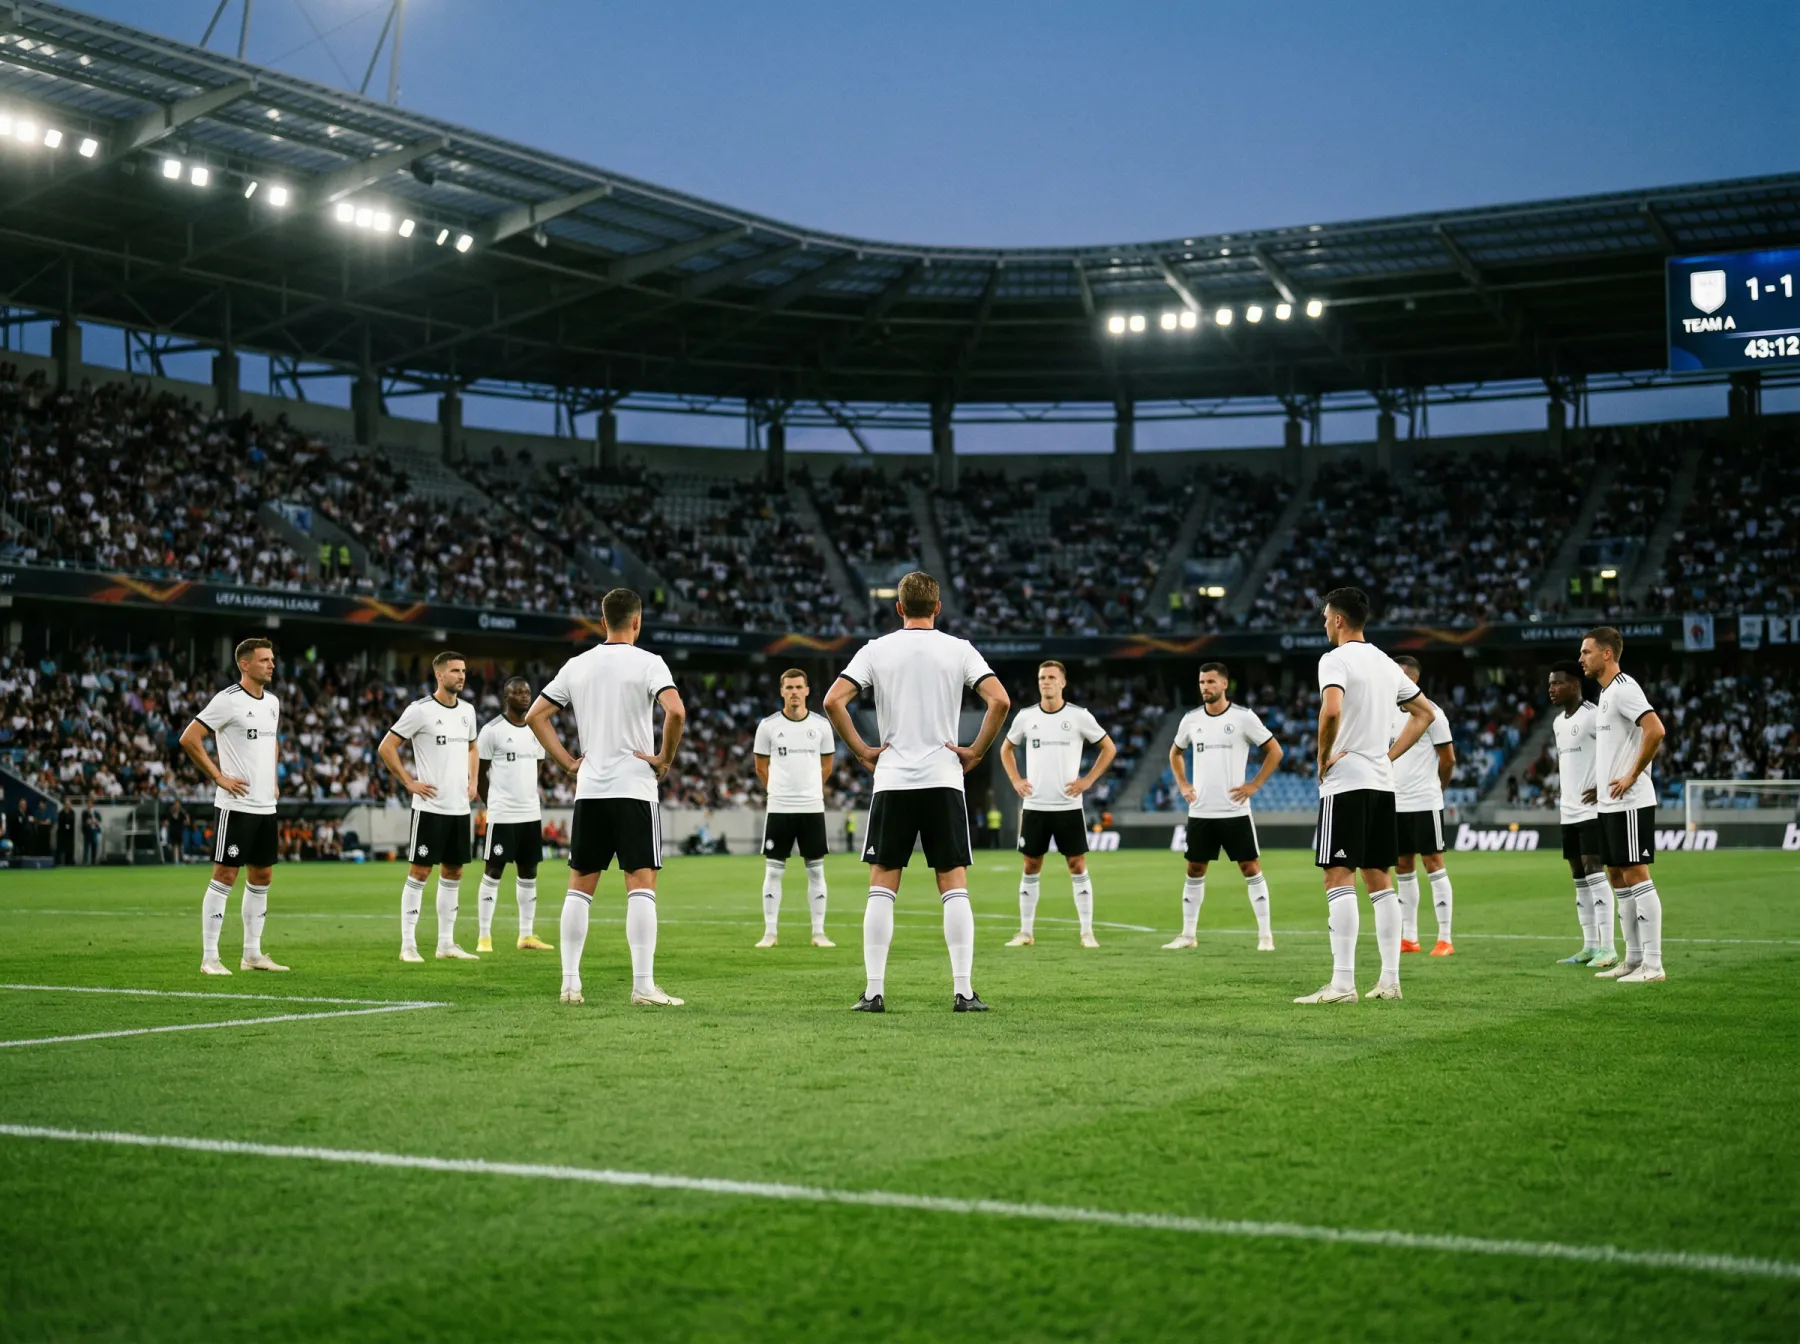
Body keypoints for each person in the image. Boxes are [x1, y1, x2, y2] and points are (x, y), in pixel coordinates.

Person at [823, 570, 1010, 1014]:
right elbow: (1000, 701)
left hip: (893, 780)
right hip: (943, 778)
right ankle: (964, 992)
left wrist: (863, 751)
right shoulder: (959, 649)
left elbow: (832, 701)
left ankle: (874, 992)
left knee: (882, 885)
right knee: (953, 884)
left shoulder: (876, 649)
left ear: (899, 608)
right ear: (938, 608)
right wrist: (976, 751)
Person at [526, 587, 687, 1007]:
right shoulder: (649, 662)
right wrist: (664, 758)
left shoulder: (577, 665)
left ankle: (570, 984)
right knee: (641, 885)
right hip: (634, 788)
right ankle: (643, 987)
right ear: (637, 621)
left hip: (591, 790)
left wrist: (567, 762)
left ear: (602, 622)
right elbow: (676, 711)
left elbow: (535, 716)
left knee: (579, 888)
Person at [1298, 587, 1437, 1005]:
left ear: (1339, 619)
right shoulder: (1385, 662)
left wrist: (1322, 757)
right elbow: (1425, 713)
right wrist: (1387, 756)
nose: (1324, 623)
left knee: (1337, 875)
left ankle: (1342, 984)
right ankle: (1390, 981)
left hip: (1346, 781)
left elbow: (1332, 709)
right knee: (1379, 879)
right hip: (1381, 783)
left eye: (1326, 616)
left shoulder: (1335, 659)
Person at [176, 637, 287, 975]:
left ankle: (252, 954)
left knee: (263, 875)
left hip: (265, 806)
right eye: (264, 660)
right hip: (236, 806)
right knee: (225, 874)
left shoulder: (272, 702)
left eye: (272, 659)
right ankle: (210, 958)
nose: (271, 664)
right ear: (244, 664)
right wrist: (218, 777)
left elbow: (272, 742)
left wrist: (273, 780)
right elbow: (189, 738)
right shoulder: (227, 700)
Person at [1161, 661, 1281, 952]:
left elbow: (1275, 751)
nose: (1205, 687)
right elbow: (1175, 753)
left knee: (1250, 867)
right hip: (1201, 810)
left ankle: (1265, 936)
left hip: (1234, 810)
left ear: (1225, 684)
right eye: (1202, 682)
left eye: (1211, 682)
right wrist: (1183, 784)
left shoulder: (1243, 717)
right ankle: (1188, 935)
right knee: (1194, 868)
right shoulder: (1191, 719)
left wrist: (1254, 785)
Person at [999, 659, 1115, 948]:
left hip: (1068, 806)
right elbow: (1006, 749)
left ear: (1063, 682)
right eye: (1042, 678)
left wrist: (1088, 781)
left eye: (1051, 677)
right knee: (1030, 865)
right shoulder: (1026, 716)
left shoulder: (1079, 716)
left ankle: (1087, 932)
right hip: (1035, 805)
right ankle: (1025, 932)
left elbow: (1108, 748)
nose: (1046, 682)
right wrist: (1015, 780)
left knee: (1077, 864)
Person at [1578, 626, 1669, 983]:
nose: (1581, 658)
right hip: (1609, 803)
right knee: (1616, 875)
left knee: (1635, 873)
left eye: (1586, 652)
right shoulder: (1605, 695)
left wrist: (1632, 774)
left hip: (1630, 801)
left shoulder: (1625, 688)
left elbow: (1655, 730)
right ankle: (1633, 959)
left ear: (1606, 654)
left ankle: (1654, 965)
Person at [379, 651, 481, 963]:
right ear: (439, 675)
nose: (461, 676)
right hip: (430, 808)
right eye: (455, 671)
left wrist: (474, 781)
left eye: (463, 670)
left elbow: (473, 747)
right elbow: (387, 746)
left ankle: (446, 944)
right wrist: (408, 781)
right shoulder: (420, 710)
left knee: (454, 871)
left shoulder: (468, 711)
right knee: (420, 871)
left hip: (459, 808)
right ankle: (408, 945)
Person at [752, 668, 837, 949]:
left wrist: (809, 790)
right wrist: (779, 791)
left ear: (807, 690)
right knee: (774, 872)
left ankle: (819, 933)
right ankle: (770, 933)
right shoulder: (768, 726)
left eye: (799, 687)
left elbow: (827, 766)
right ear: (781, 692)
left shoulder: (821, 726)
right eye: (789, 688)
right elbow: (760, 767)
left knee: (816, 871)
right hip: (779, 807)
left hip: (812, 807)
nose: (794, 693)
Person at [475, 675, 554, 954]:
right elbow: (480, 773)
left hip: (530, 813)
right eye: (518, 692)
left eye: (527, 692)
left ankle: (526, 935)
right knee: (493, 871)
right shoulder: (491, 731)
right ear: (506, 697)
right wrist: (493, 803)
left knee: (529, 872)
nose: (524, 696)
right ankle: (484, 937)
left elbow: (539, 766)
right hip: (502, 815)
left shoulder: (536, 730)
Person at [1390, 655, 1457, 956]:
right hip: (1394, 803)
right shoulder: (1387, 714)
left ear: (1413, 680)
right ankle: (1410, 937)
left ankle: (1444, 938)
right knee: (1402, 866)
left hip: (1424, 801)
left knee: (1433, 863)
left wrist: (1437, 789)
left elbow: (1448, 759)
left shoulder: (1433, 714)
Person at [1548, 660, 1614, 966]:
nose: (1552, 689)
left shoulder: (1593, 715)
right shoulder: (1557, 723)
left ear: (1575, 684)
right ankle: (1589, 946)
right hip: (1569, 810)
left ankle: (1608, 948)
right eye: (1550, 684)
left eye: (1558, 683)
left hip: (1592, 810)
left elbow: (1618, 749)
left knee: (1593, 869)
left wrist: (1604, 786)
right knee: (1578, 874)